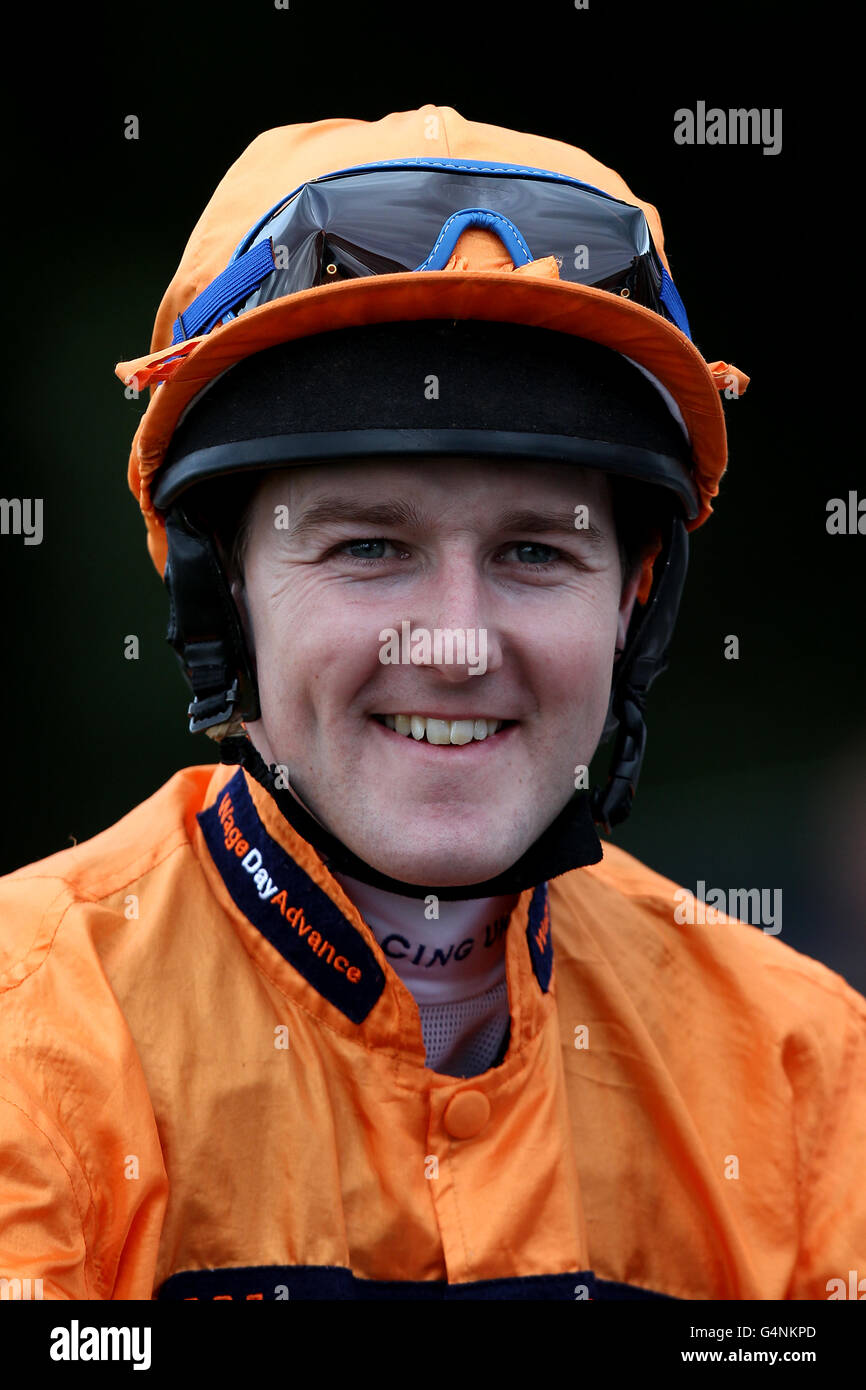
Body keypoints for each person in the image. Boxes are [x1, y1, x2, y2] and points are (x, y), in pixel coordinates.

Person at [1, 104, 863, 1303]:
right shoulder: (26, 1029)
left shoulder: (807, 1070)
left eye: (534, 553)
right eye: (367, 547)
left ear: (635, 600)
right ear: (223, 589)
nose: (454, 642)